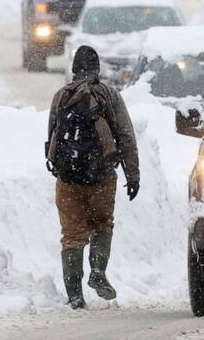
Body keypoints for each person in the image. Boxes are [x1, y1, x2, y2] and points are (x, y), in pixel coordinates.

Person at [46, 45, 139, 309]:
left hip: (68, 178)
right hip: (101, 177)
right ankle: (98, 271)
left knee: (72, 235)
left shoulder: (61, 96)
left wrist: (56, 164)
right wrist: (132, 175)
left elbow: (52, 133)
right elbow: (126, 137)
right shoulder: (109, 95)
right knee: (101, 224)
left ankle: (74, 294)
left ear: (74, 69)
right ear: (97, 70)